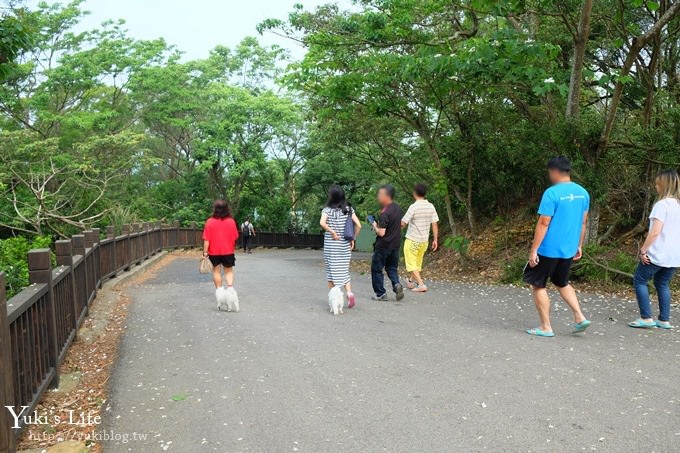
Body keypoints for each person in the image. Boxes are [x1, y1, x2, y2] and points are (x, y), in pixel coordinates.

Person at [523, 156, 591, 337]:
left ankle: (545, 327)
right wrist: (579, 245)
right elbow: (583, 222)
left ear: (554, 172)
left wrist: (534, 249)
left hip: (549, 248)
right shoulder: (583, 193)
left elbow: (544, 223)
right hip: (568, 248)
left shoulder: (551, 193)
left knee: (538, 285)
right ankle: (579, 316)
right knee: (562, 282)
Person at [628, 169, 680, 330]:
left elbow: (655, 231)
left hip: (658, 252)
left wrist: (643, 250)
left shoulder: (661, 205)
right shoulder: (678, 205)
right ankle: (664, 320)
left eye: (658, 184)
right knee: (663, 284)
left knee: (640, 280)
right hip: (674, 254)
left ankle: (646, 317)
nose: (656, 187)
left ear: (664, 186)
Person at [320, 185, 362, 308]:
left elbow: (322, 223)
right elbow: (359, 225)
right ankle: (349, 293)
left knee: (331, 272)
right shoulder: (349, 209)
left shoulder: (327, 210)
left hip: (331, 247)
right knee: (344, 271)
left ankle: (334, 298)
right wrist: (353, 238)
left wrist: (332, 232)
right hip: (344, 245)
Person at [401, 183, 439, 292]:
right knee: (417, 262)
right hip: (424, 241)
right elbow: (435, 223)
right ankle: (411, 282)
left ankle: (421, 284)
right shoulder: (430, 206)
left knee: (411, 263)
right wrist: (435, 239)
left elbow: (403, 223)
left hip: (412, 240)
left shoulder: (414, 207)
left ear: (414, 193)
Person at [370, 184, 404, 301]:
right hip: (395, 244)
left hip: (384, 245)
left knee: (377, 269)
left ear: (386, 196)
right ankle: (396, 284)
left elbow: (382, 233)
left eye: (380, 194)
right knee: (392, 268)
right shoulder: (398, 208)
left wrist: (374, 225)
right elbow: (401, 224)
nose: (378, 197)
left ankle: (381, 294)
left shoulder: (385, 212)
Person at [202, 200, 240, 299]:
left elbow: (207, 239)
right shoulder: (231, 221)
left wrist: (205, 252)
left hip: (214, 251)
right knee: (228, 271)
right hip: (228, 250)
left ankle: (220, 292)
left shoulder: (210, 222)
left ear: (215, 209)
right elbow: (235, 237)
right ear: (227, 209)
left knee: (216, 271)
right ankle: (230, 288)